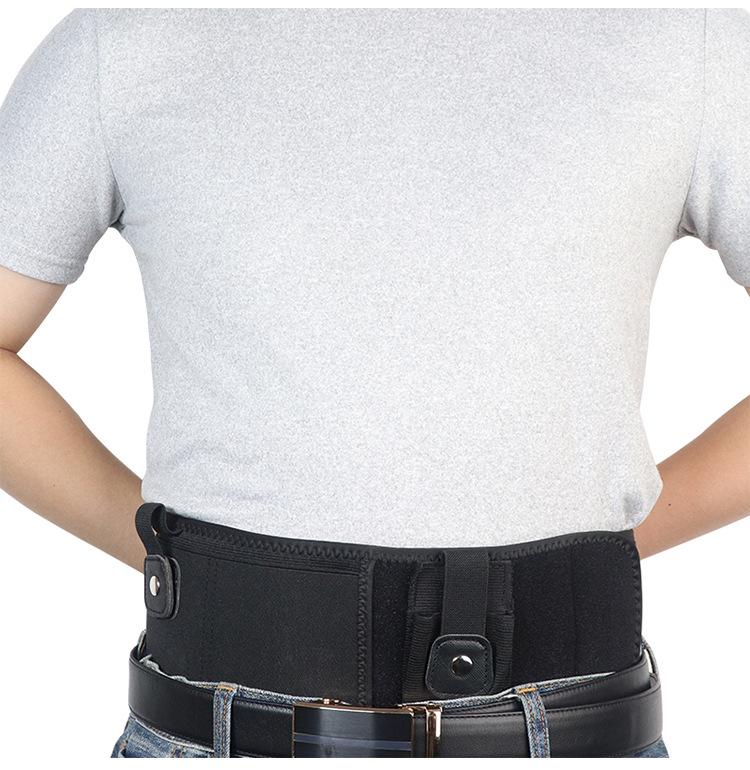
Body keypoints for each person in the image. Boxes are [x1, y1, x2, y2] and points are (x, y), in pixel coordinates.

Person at [1, 8, 748, 759]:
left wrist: (610, 546)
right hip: (221, 727)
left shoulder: (684, 38)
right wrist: (172, 557)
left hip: (573, 727)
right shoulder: (126, 40)